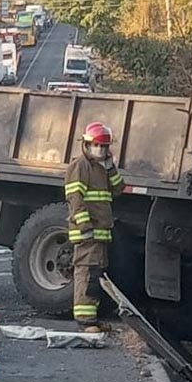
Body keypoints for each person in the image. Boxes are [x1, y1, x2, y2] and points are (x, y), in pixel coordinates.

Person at [64, 121, 125, 333]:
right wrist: (85, 226)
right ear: (87, 144)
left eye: (104, 146)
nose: (100, 150)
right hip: (87, 232)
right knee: (86, 274)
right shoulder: (80, 166)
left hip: (100, 232)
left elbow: (118, 189)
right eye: (96, 145)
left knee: (95, 275)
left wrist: (111, 168)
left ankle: (92, 318)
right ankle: (85, 321)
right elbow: (75, 197)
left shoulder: (103, 167)